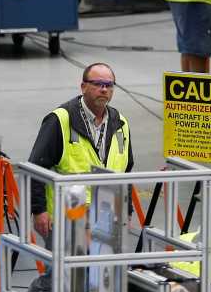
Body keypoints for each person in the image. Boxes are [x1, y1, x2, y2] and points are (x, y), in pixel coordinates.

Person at [26, 62, 135, 241]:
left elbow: (127, 172)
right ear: (83, 87)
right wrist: (39, 211)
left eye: (108, 85)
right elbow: (36, 166)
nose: (104, 89)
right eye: (98, 84)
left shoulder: (120, 123)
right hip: (69, 216)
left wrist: (128, 211)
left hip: (108, 216)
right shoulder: (60, 120)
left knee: (103, 268)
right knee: (66, 269)